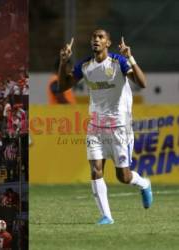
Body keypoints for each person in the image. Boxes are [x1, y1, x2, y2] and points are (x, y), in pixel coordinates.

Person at [58, 29, 153, 225]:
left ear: (108, 43)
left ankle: (143, 183)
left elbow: (142, 83)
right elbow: (63, 86)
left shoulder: (119, 62)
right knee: (96, 169)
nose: (96, 40)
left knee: (123, 177)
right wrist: (63, 62)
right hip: (95, 126)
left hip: (119, 127)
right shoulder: (85, 65)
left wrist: (131, 58)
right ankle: (107, 217)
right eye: (94, 37)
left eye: (101, 37)